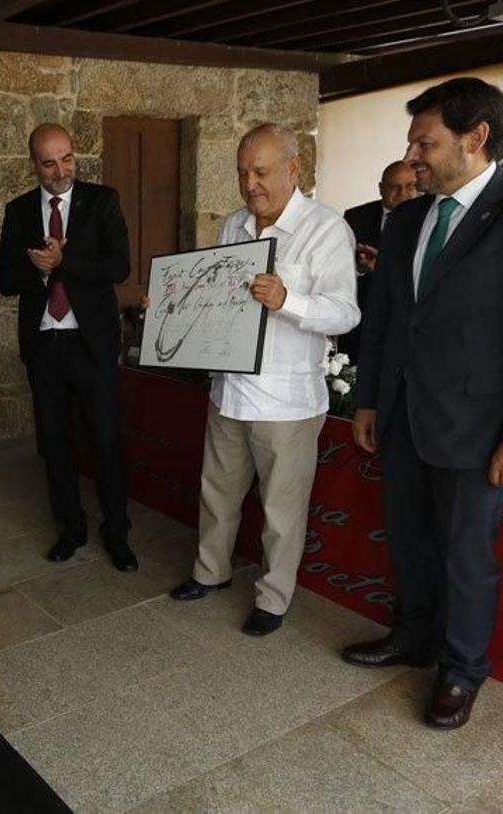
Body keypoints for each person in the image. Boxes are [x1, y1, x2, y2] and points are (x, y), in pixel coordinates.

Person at [346, 78, 503, 729]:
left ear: (475, 138)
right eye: (411, 144)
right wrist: (367, 400)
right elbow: (387, 322)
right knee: (409, 541)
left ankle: (461, 670)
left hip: (481, 431)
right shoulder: (411, 220)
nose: (414, 156)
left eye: (425, 142)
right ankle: (414, 636)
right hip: (403, 419)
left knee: (465, 557)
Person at [167, 124, 360, 637]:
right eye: (242, 172)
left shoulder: (325, 228)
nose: (249, 183)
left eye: (261, 172)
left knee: (281, 508)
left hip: (287, 400)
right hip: (230, 390)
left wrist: (288, 301)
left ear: (294, 169)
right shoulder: (233, 224)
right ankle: (211, 572)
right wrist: (172, 310)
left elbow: (345, 313)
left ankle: (273, 598)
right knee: (217, 492)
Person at [0, 122, 136, 571]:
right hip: (44, 346)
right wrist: (39, 272)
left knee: (106, 442)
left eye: (67, 158)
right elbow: (3, 281)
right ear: (33, 164)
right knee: (55, 444)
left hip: (91, 343)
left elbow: (119, 266)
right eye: (50, 162)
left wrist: (64, 262)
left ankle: (117, 534)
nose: (61, 170)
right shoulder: (18, 211)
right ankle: (70, 529)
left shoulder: (102, 201)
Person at [341, 161, 418, 355]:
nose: (402, 194)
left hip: (407, 321)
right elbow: (339, 268)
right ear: (381, 188)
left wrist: (382, 267)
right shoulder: (355, 217)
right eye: (394, 187)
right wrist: (360, 269)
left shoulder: (428, 218)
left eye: (410, 186)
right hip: (363, 322)